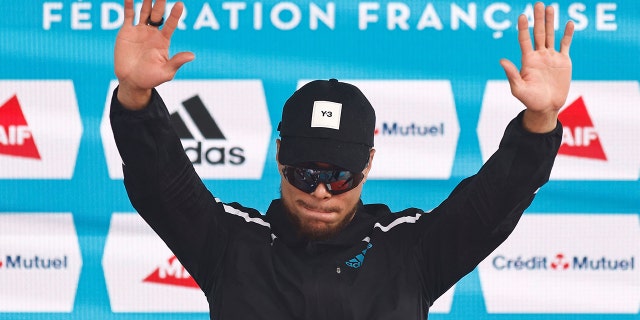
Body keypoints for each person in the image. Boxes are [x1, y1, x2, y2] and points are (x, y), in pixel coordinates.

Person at [110, 0, 574, 319]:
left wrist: (541, 117)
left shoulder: (408, 251)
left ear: (368, 165)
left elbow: (495, 202)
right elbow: (159, 184)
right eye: (305, 172)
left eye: (339, 177)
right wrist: (135, 94)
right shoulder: (231, 245)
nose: (318, 190)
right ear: (278, 158)